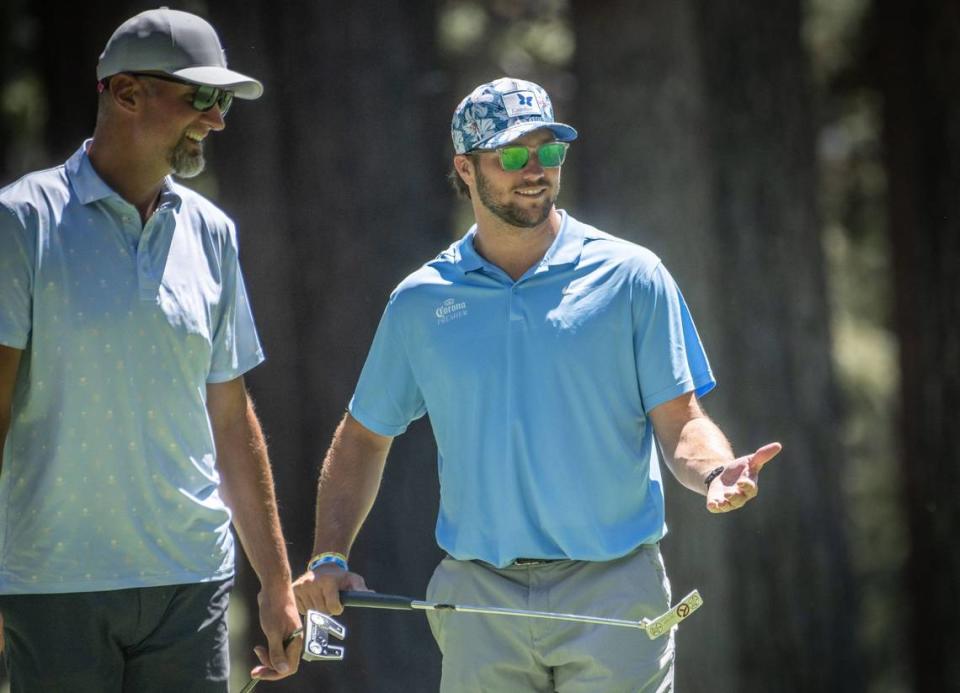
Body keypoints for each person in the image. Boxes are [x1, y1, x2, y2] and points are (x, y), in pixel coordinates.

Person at [292, 77, 781, 692]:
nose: (536, 171)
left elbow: (681, 419)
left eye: (548, 152)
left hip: (614, 591)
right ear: (465, 170)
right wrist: (329, 555)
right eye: (512, 156)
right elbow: (362, 438)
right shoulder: (421, 301)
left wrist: (714, 473)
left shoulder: (632, 277)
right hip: (478, 594)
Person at [0, 9, 301, 691]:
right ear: (127, 92)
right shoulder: (21, 223)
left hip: (188, 583)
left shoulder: (213, 233)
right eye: (202, 96)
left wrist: (277, 582)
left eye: (223, 100)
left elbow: (230, 417)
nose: (218, 120)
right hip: (53, 583)